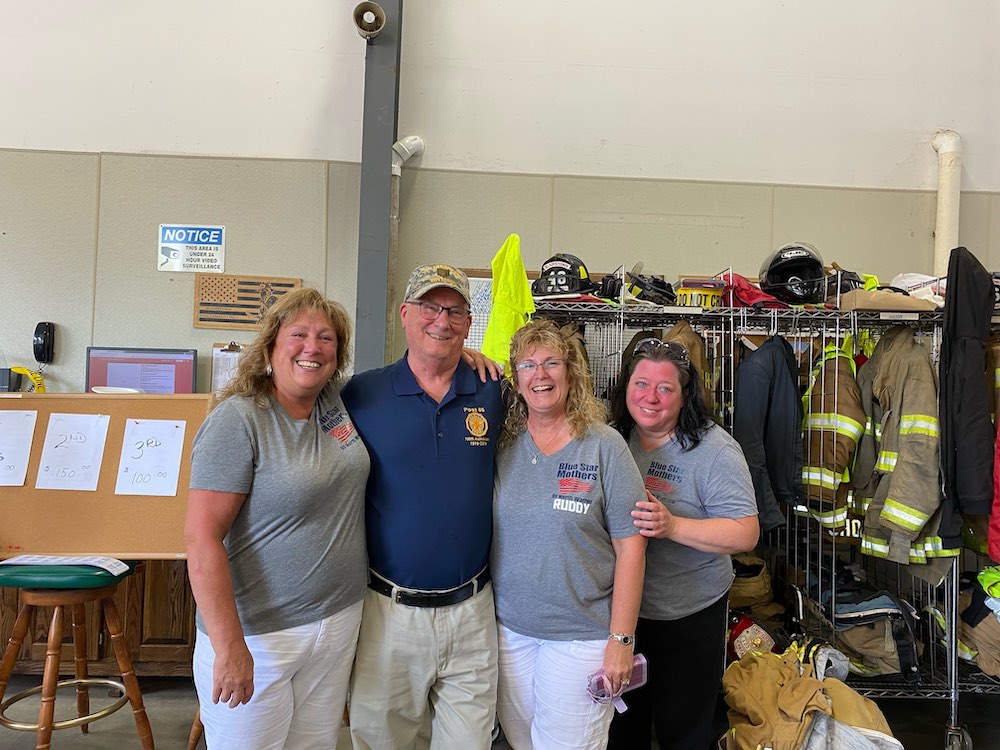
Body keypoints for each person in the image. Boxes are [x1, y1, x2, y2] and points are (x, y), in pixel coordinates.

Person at [184, 287, 369, 750]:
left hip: (337, 622)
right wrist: (229, 647)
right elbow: (201, 539)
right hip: (260, 638)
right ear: (270, 347)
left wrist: (460, 355)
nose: (313, 348)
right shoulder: (238, 420)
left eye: (326, 338)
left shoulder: (334, 403)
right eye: (299, 335)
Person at [343, 263, 505, 750]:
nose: (442, 321)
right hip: (388, 613)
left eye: (455, 311)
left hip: (472, 613)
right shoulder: (361, 394)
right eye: (430, 308)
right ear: (405, 314)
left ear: (469, 323)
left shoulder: (494, 389)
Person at [492, 319, 647, 750]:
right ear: (515, 378)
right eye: (527, 365)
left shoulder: (604, 446)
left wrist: (621, 640)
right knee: (523, 742)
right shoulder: (503, 445)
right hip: (510, 634)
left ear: (571, 371)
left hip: (581, 637)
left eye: (551, 363)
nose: (539, 375)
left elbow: (632, 547)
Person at [607, 337, 759, 750]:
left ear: (685, 394)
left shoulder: (715, 451)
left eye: (665, 388)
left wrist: (672, 526)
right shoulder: (612, 439)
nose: (650, 398)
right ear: (625, 387)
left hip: (688, 615)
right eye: (641, 384)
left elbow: (745, 532)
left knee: (683, 728)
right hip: (622, 615)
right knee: (622, 726)